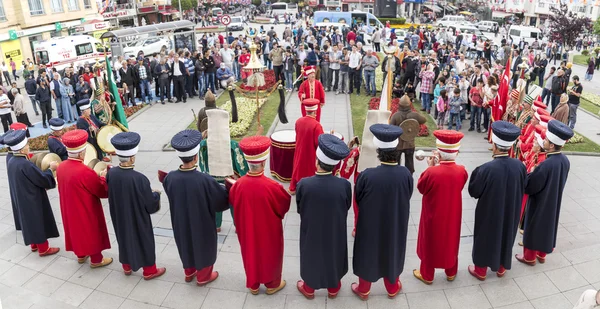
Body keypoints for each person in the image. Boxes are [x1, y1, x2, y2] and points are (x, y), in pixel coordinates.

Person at [352, 124, 412, 300]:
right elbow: (407, 195)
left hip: (371, 222)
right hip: (395, 220)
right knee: (393, 248)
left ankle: (363, 288)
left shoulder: (367, 175)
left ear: (378, 150)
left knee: (368, 250)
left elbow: (358, 198)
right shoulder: (405, 173)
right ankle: (392, 287)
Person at [163, 129, 228, 284]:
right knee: (204, 244)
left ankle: (189, 271)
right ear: (196, 156)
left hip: (180, 220)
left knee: (185, 242)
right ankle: (204, 276)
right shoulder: (204, 179)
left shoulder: (170, 177)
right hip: (201, 221)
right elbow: (221, 200)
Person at [229, 135, 291, 295]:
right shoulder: (273, 186)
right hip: (268, 229)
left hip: (247, 228)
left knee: (250, 252)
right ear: (263, 162)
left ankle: (254, 285)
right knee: (271, 253)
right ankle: (272, 284)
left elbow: (233, 201)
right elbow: (284, 206)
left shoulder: (238, 185)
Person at [468, 121, 526, 280]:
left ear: (494, 143)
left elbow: (474, 191)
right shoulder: (520, 166)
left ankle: (480, 270)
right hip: (511, 210)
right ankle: (501, 267)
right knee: (506, 234)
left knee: (485, 236)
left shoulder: (486, 169)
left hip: (489, 212)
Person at [296, 134, 351, 299]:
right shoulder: (344, 185)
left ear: (317, 161)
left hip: (312, 227)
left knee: (311, 253)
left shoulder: (304, 184)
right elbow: (346, 206)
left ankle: (309, 288)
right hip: (335, 226)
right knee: (335, 252)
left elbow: (300, 208)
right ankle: (333, 288)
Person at [106, 132, 165, 279]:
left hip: (119, 214)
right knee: (144, 239)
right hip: (137, 217)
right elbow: (150, 205)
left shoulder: (111, 174)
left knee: (123, 237)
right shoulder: (140, 179)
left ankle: (126, 266)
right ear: (132, 157)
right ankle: (149, 270)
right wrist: (156, 194)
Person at [413, 130, 468, 284]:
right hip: (453, 212)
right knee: (451, 239)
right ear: (455, 153)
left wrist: (430, 167)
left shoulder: (431, 173)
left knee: (430, 240)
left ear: (440, 153)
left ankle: (427, 274)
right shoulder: (462, 171)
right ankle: (451, 272)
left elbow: (421, 188)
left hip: (433, 213)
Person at [516, 120, 573, 266]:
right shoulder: (564, 160)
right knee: (547, 227)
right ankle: (542, 254)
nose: (544, 142)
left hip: (540, 201)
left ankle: (529, 257)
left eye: (546, 140)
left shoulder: (546, 164)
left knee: (534, 226)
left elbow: (531, 187)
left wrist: (528, 174)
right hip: (553, 199)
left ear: (552, 145)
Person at [57, 129, 112, 268]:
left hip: (69, 206)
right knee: (90, 229)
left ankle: (81, 255)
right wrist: (103, 177)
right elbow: (101, 191)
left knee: (75, 230)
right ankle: (96, 259)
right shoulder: (84, 171)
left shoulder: (61, 167)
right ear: (82, 152)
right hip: (85, 207)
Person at [5, 129, 60, 257]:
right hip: (32, 196)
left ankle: (34, 244)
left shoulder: (12, 160)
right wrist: (51, 169)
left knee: (29, 221)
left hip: (22, 196)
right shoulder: (25, 164)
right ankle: (43, 248)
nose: (28, 147)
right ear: (22, 149)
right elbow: (41, 179)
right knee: (37, 220)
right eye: (27, 145)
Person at [198, 108, 248, 232]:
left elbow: (202, 163)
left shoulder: (204, 145)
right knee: (234, 203)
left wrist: (206, 174)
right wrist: (242, 176)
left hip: (212, 179)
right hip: (230, 178)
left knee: (215, 202)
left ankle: (216, 225)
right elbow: (240, 164)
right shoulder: (233, 144)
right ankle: (237, 226)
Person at [289, 99, 324, 194]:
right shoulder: (317, 125)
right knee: (309, 171)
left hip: (299, 150)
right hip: (310, 153)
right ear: (315, 111)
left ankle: (294, 187)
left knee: (297, 168)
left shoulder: (298, 121)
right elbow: (319, 143)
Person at [388, 95, 426, 174]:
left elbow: (390, 128)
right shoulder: (414, 115)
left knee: (395, 164)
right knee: (409, 164)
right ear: (409, 105)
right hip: (410, 144)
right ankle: (409, 178)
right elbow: (423, 120)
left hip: (398, 144)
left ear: (400, 105)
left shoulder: (396, 116)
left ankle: (397, 177)